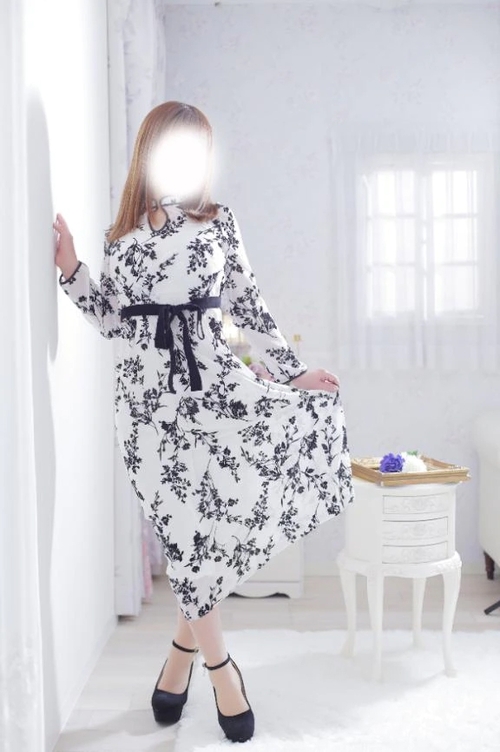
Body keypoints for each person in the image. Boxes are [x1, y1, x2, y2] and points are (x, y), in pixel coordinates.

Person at [53, 101, 354, 744]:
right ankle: (215, 666)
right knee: (187, 536)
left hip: (214, 390)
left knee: (205, 537)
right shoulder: (120, 236)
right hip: (145, 409)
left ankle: (190, 660)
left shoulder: (218, 223)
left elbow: (248, 305)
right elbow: (113, 322)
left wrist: (293, 372)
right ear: (150, 149)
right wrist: (73, 270)